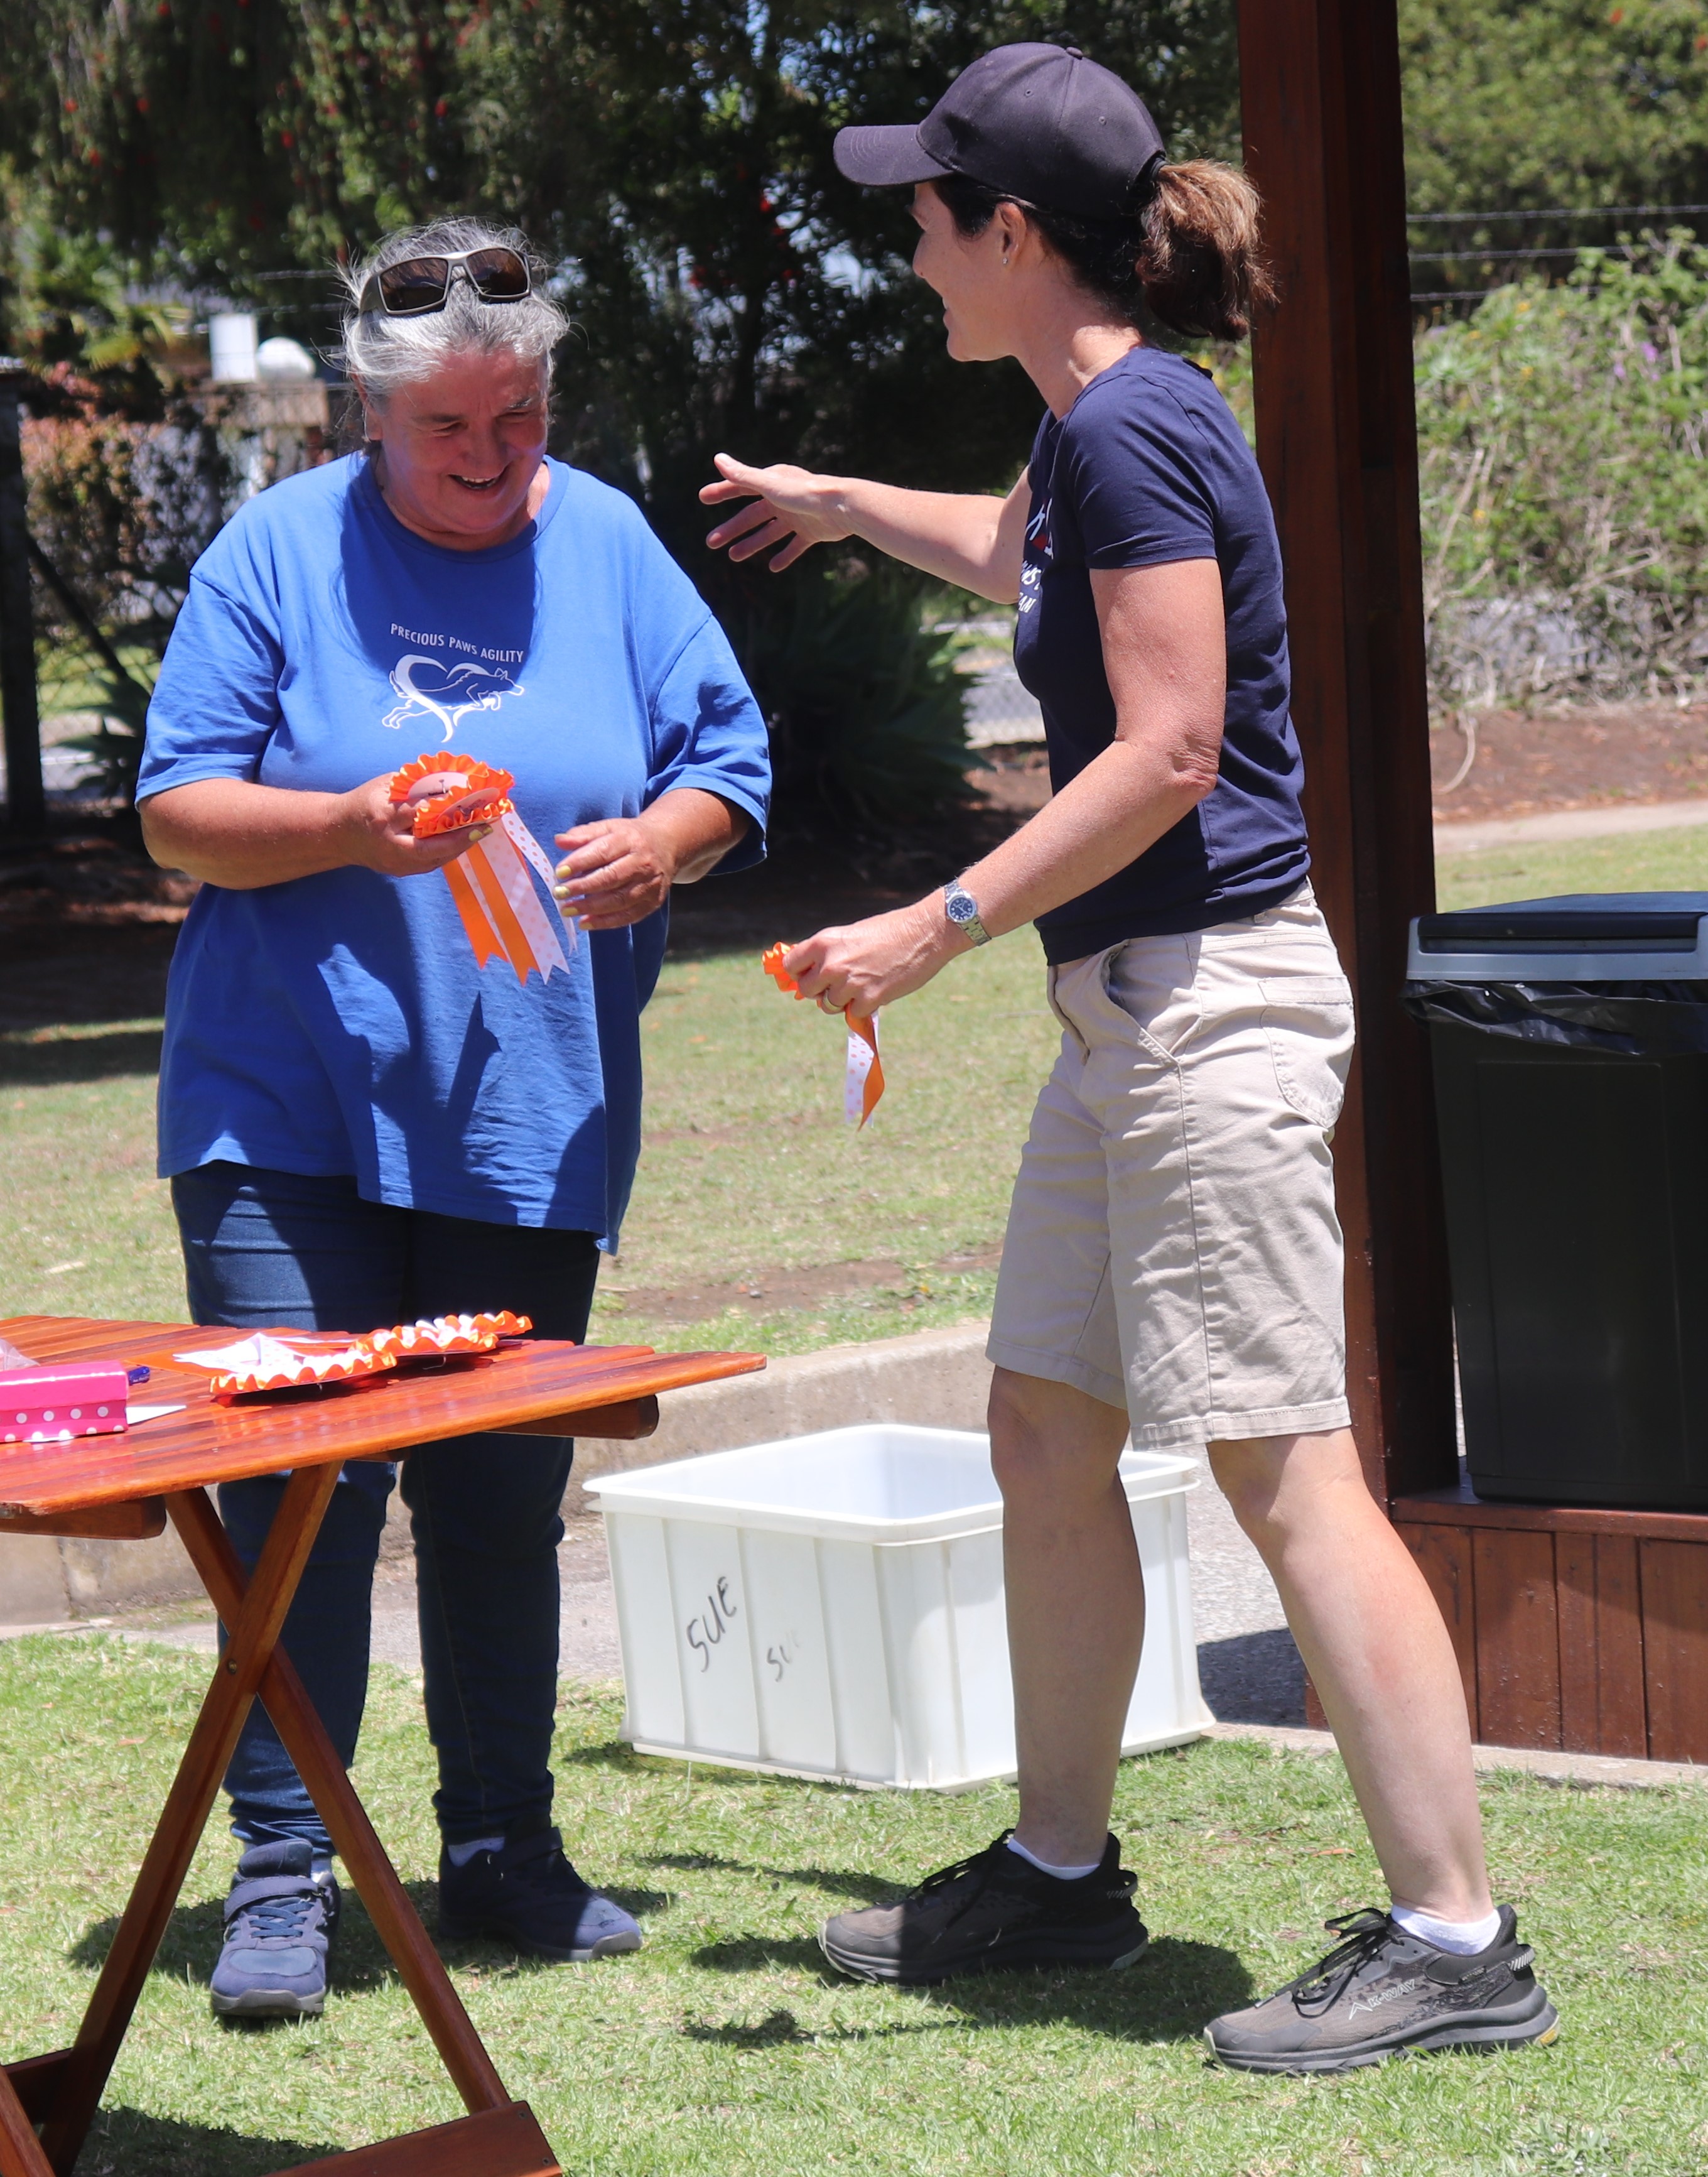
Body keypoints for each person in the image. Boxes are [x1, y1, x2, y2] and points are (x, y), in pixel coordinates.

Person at [701, 45, 1556, 2073]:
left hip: (1208, 1009)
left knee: (1288, 1469)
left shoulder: (1136, 431)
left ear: (1013, 232)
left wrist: (936, 921)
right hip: (1130, 1019)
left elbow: (1170, 748)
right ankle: (1062, 1874)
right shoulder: (1094, 427)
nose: (911, 246)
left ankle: (1459, 1935)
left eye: (929, 214)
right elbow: (1019, 557)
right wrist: (839, 503)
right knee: (1043, 1427)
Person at [138, 217, 770, 2020]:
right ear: (371, 412)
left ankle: (501, 1848)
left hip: (524, 1116)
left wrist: (667, 845)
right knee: (296, 1493)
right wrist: (348, 827)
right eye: (449, 430)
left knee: (498, 1493)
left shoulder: (612, 544)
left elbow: (730, 764)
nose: (491, 458)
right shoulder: (278, 550)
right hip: (285, 1105)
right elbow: (176, 809)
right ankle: (284, 1870)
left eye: (520, 417)